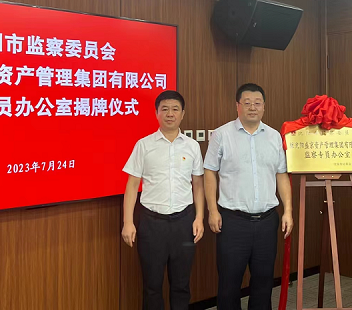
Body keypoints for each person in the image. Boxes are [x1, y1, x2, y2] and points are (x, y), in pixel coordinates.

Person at [204, 83, 293, 310]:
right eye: (247, 103)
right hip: (233, 222)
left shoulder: (274, 137)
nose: (252, 107)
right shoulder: (222, 135)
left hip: (267, 221)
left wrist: (288, 211)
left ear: (264, 107)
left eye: (257, 103)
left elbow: (281, 175)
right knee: (229, 284)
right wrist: (212, 210)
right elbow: (210, 172)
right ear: (238, 106)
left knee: (263, 283)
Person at [121, 90, 205, 310]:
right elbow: (132, 185)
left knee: (181, 284)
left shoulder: (192, 146)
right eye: (164, 109)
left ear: (183, 114)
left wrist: (199, 218)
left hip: (184, 223)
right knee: (152, 286)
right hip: (152, 224)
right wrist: (128, 222)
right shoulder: (144, 145)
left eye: (175, 109)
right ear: (156, 113)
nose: (170, 114)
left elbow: (198, 185)